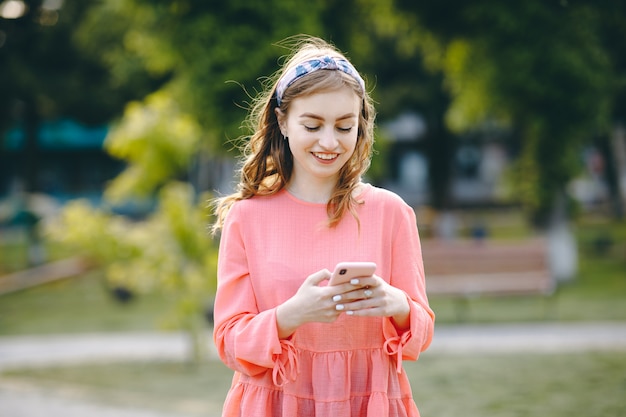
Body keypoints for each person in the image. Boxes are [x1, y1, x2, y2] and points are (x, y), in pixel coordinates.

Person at [211, 35, 435, 417]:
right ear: (282, 121)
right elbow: (229, 340)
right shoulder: (247, 217)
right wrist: (292, 314)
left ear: (360, 127)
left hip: (369, 400)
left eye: (344, 127)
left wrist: (396, 304)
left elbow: (422, 330)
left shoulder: (391, 212)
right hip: (275, 403)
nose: (329, 142)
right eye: (312, 125)